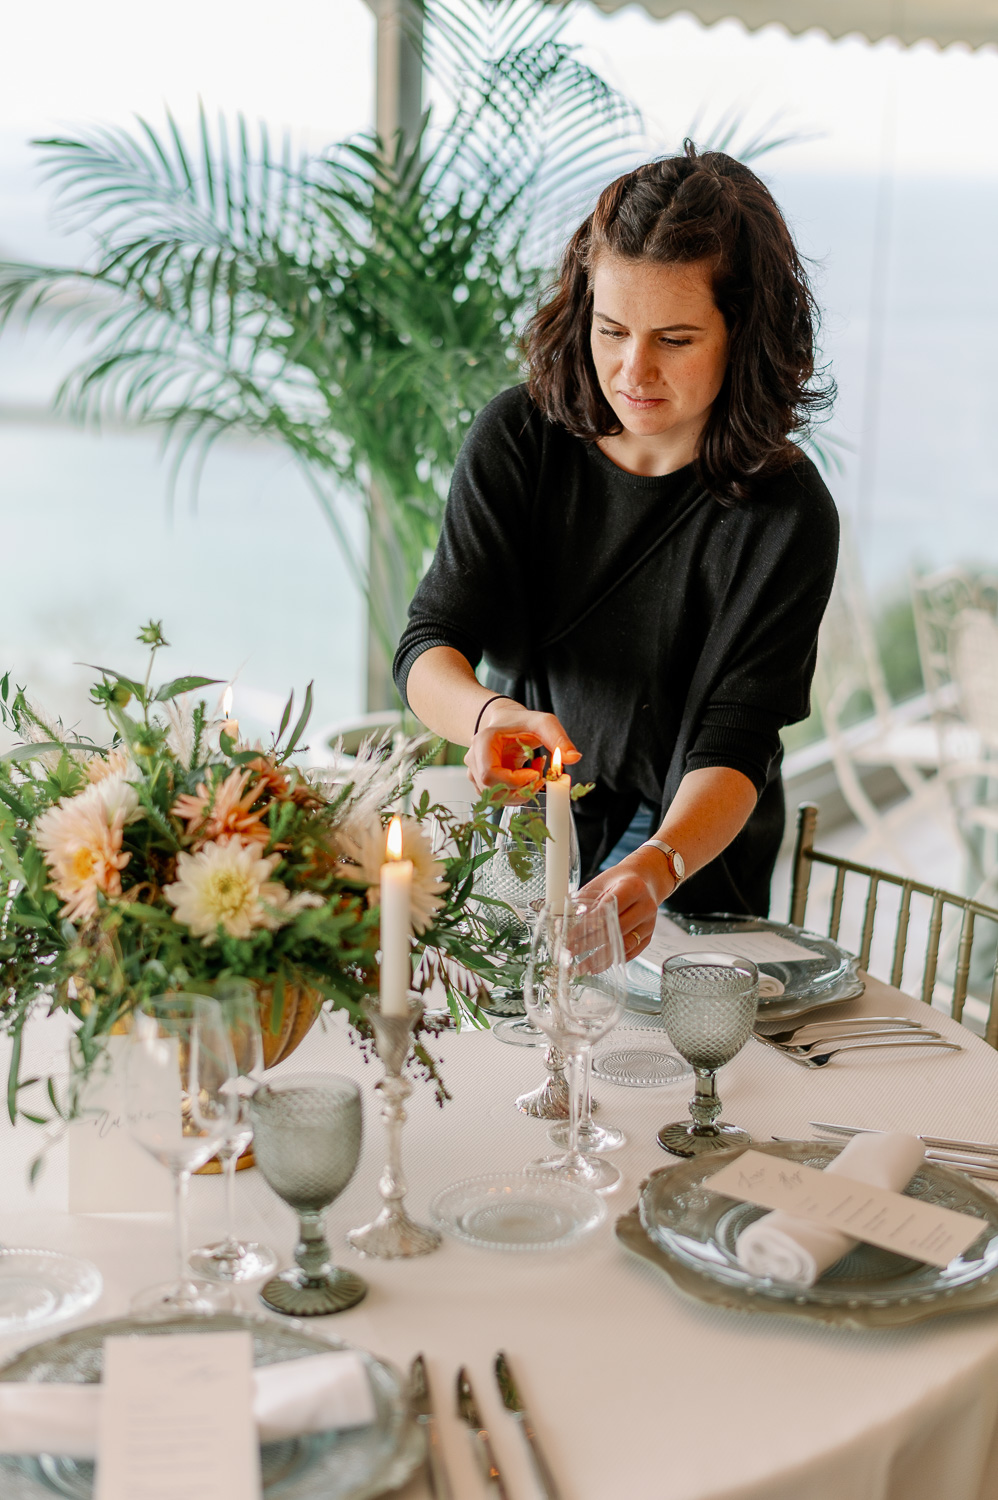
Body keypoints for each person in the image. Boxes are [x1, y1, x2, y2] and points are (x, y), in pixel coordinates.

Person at [393, 144, 839, 962]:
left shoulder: (787, 513)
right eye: (610, 329)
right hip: (526, 833)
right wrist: (488, 717)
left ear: (745, 337)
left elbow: (737, 741)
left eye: (674, 338)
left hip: (690, 859)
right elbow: (430, 642)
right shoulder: (520, 440)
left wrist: (659, 864)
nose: (632, 371)